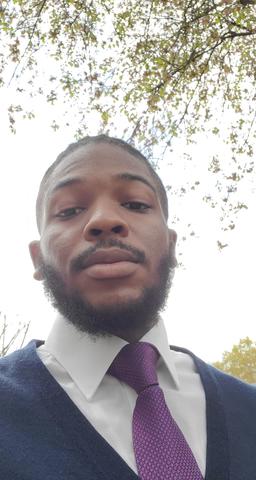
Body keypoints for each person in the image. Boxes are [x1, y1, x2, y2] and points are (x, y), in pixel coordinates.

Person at [0, 134, 256, 480]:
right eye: (70, 210)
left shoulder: (249, 409)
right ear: (37, 257)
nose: (104, 220)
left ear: (171, 245)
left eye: (135, 204)